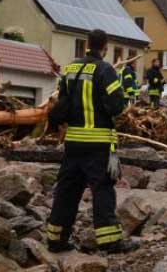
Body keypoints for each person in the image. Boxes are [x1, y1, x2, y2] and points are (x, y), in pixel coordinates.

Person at [45, 29, 140, 254]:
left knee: (67, 190)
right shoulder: (105, 69)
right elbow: (117, 105)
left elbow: (62, 103)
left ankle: (56, 239)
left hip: (73, 143)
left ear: (87, 44)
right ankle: (110, 241)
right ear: (105, 47)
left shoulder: (70, 68)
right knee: (102, 191)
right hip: (98, 143)